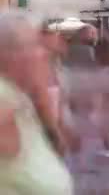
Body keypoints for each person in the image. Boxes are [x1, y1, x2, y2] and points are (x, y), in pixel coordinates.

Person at [0, 11, 73, 194]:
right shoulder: (5, 101)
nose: (44, 53)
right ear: (10, 54)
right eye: (35, 45)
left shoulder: (20, 97)